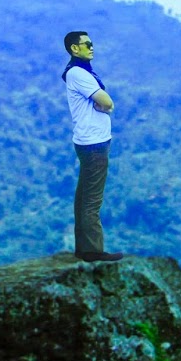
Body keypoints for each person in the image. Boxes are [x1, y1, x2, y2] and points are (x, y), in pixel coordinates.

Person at [61, 30, 123, 260]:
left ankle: (85, 249)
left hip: (90, 141)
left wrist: (104, 106)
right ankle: (92, 252)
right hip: (93, 143)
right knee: (91, 199)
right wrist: (106, 106)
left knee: (86, 195)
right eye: (86, 44)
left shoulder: (79, 72)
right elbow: (107, 102)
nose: (91, 47)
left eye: (91, 43)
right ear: (74, 49)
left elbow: (104, 103)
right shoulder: (78, 73)